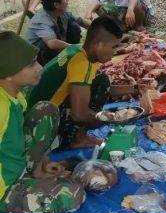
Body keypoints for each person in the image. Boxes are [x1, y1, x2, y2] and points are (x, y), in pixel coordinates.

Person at [0, 31, 85, 213]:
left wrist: (42, 163)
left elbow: (14, 138)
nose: (39, 68)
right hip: (3, 187)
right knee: (72, 195)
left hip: (15, 167)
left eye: (36, 61)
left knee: (46, 109)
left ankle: (34, 170)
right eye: (31, 65)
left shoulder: (16, 95)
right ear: (8, 75)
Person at [27, 17, 123, 149]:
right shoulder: (81, 63)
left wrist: (135, 88)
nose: (116, 51)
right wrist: (112, 118)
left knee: (101, 81)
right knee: (100, 96)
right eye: (114, 46)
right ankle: (74, 139)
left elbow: (102, 88)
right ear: (98, 45)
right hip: (39, 122)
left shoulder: (79, 50)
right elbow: (79, 114)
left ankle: (77, 135)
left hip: (36, 108)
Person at [24, 0, 90, 66]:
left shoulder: (62, 13)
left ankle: (68, 57)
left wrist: (97, 27)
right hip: (38, 58)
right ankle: (53, 66)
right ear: (56, 5)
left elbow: (81, 21)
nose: (67, 1)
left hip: (54, 46)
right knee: (49, 49)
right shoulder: (40, 21)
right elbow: (52, 43)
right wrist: (75, 47)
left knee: (74, 27)